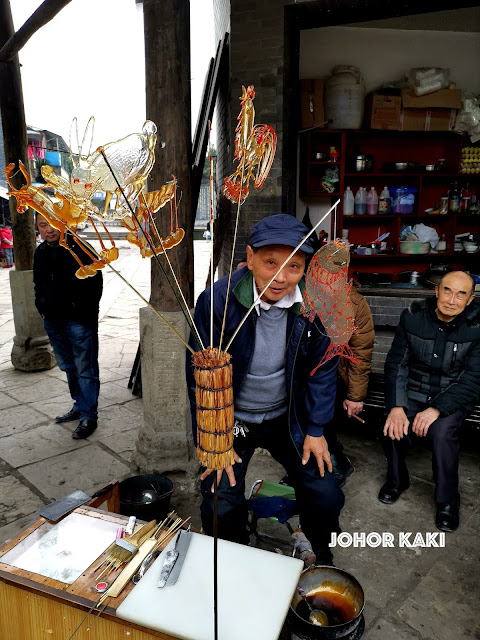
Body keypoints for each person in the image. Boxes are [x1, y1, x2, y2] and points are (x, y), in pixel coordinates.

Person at [186, 214, 344, 565]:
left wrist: (316, 430)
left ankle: (317, 549)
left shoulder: (315, 304)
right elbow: (198, 370)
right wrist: (214, 439)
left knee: (325, 490)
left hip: (286, 418)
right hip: (232, 420)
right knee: (219, 501)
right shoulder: (218, 301)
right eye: (271, 262)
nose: (281, 277)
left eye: (294, 266)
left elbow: (323, 369)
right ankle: (233, 554)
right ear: (250, 256)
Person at [379, 271, 480, 532]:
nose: (452, 299)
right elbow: (396, 364)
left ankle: (447, 500)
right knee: (393, 426)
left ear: (470, 300)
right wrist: (397, 406)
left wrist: (436, 408)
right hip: (413, 391)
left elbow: (473, 378)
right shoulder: (413, 317)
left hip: (453, 394)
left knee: (443, 434)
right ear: (436, 291)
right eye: (447, 290)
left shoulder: (477, 326)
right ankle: (397, 480)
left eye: (461, 294)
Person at [33, 214, 103, 439]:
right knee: (67, 366)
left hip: (79, 322)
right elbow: (38, 284)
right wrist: (42, 309)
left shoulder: (80, 248)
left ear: (64, 223)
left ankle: (89, 416)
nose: (49, 230)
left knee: (86, 369)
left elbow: (95, 285)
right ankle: (79, 406)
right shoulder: (41, 252)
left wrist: (83, 316)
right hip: (53, 322)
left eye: (53, 224)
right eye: (43, 225)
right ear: (38, 228)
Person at [324, 286, 374, 486]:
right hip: (302, 373)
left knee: (320, 416)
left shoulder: (354, 302)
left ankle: (337, 463)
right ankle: (308, 469)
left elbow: (361, 351)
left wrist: (355, 396)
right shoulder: (297, 294)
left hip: (334, 375)